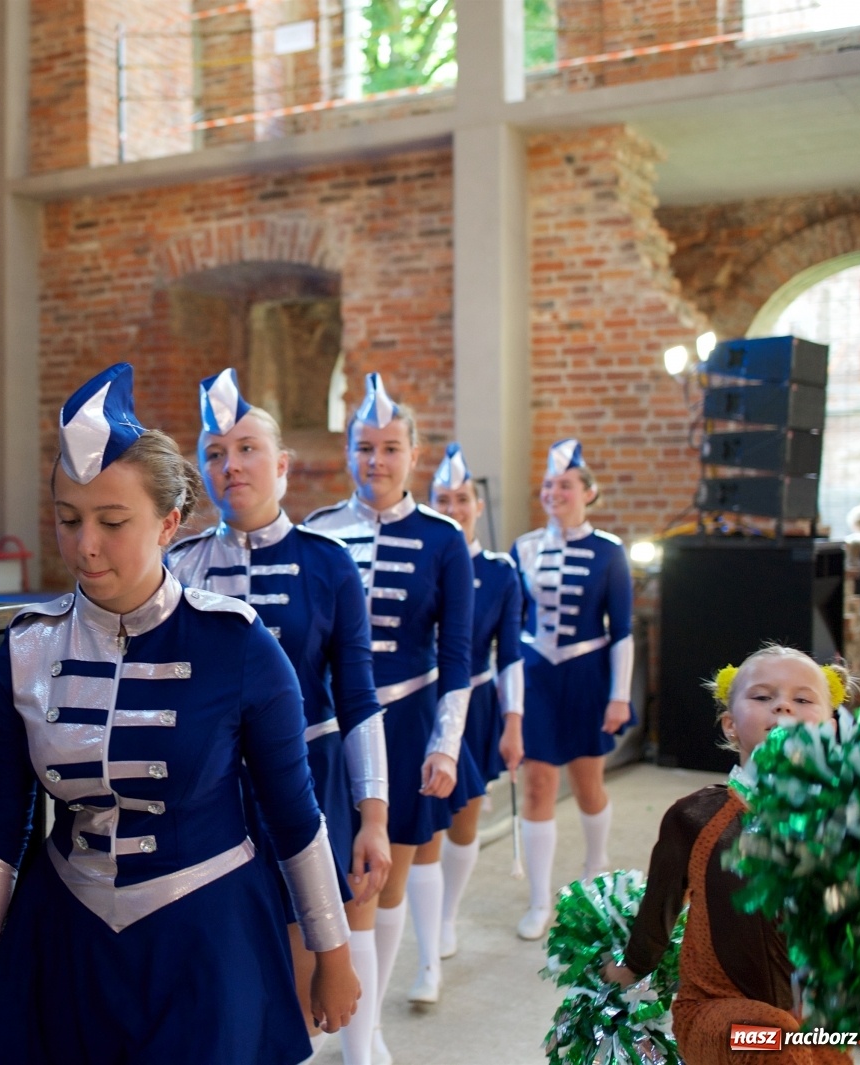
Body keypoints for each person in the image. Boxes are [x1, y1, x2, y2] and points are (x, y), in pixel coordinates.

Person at [0, 363, 359, 1065]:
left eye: (112, 522)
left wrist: (333, 950)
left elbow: (294, 814)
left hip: (207, 938)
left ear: (169, 523)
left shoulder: (240, 645)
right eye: (68, 519)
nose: (85, 545)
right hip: (65, 938)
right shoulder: (25, 648)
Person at [167, 369, 391, 1065]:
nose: (231, 465)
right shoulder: (176, 566)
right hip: (207, 799)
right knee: (219, 976)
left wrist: (374, 815)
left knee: (306, 989)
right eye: (214, 453)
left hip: (308, 790)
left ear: (284, 465)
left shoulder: (330, 564)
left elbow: (358, 696)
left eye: (247, 449)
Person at [306, 373, 473, 1062]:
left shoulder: (444, 539)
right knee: (329, 880)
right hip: (329, 729)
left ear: (414, 454)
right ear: (349, 452)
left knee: (383, 880)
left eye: (390, 448)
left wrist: (446, 743)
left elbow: (457, 654)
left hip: (407, 725)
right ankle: (349, 1024)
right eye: (365, 447)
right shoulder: (317, 533)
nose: (376, 460)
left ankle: (367, 1027)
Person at [602, 645, 852, 1065]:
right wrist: (628, 971)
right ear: (730, 725)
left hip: (813, 1022)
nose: (783, 707)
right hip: (718, 1019)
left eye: (802, 699)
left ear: (828, 729)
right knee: (776, 1042)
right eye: (763, 696)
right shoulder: (694, 817)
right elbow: (659, 908)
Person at [511, 439, 635, 941]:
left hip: (587, 677)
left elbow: (622, 629)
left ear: (588, 492)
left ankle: (594, 869)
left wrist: (619, 694)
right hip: (536, 676)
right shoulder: (523, 548)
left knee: (587, 784)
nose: (554, 492)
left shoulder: (609, 551)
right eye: (548, 485)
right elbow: (513, 623)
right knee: (538, 785)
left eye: (565, 484)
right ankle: (540, 899)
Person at [427, 444, 524, 959]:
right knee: (419, 816)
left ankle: (445, 916)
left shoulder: (501, 571)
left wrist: (514, 722)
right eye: (443, 499)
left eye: (462, 499)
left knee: (465, 814)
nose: (454, 508)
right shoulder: (418, 561)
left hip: (478, 704)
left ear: (478, 506)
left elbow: (510, 655)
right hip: (420, 699)